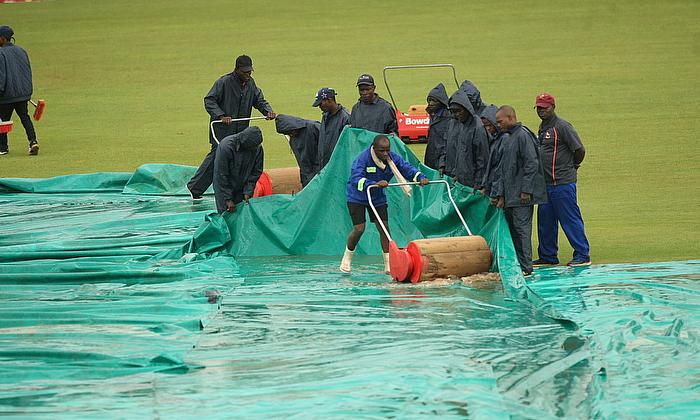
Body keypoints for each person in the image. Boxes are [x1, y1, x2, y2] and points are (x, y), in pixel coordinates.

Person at [187, 55, 275, 200]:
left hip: (240, 132)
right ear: (236, 70)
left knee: (235, 159)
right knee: (217, 156)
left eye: (249, 72)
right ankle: (195, 188)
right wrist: (221, 115)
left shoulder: (251, 84)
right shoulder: (224, 82)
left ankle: (233, 192)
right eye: (244, 72)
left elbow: (259, 100)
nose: (247, 75)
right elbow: (209, 100)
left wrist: (267, 111)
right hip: (222, 130)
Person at [340, 134, 429, 274]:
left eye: (388, 150)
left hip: (377, 197)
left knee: (384, 227)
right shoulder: (362, 159)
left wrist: (420, 177)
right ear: (374, 148)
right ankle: (347, 259)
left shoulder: (392, 158)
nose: (386, 153)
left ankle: (388, 265)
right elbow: (356, 179)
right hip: (357, 196)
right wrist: (373, 183)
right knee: (359, 228)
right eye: (382, 151)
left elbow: (406, 168)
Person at [533, 92, 591, 267]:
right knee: (546, 221)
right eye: (539, 108)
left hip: (562, 183)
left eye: (545, 108)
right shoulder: (543, 127)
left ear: (553, 107)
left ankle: (582, 255)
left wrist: (572, 166)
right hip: (546, 184)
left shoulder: (562, 126)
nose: (542, 111)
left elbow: (579, 150)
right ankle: (548, 256)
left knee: (570, 219)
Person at [490, 105, 546, 276]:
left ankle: (526, 267)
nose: (498, 125)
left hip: (521, 196)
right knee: (514, 231)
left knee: (522, 231)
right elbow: (504, 169)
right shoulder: (509, 137)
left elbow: (532, 163)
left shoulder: (522, 135)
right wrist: (501, 195)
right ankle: (520, 265)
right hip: (511, 195)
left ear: (511, 118)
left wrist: (526, 190)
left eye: (500, 122)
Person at [0, 25, 39, 156]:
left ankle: (3, 148)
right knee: (25, 117)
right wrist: (27, 92)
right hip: (23, 94)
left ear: (3, 38)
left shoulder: (0, 53)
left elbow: (1, 76)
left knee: (2, 120)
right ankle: (33, 141)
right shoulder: (21, 50)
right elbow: (27, 72)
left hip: (7, 95)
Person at [439, 89, 489, 188]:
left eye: (458, 111)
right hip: (462, 181)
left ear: (466, 108)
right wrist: (457, 175)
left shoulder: (477, 128)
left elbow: (482, 160)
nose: (456, 115)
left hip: (474, 184)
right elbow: (461, 155)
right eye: (453, 112)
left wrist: (479, 184)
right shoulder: (462, 125)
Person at [213, 126, 264, 214]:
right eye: (253, 147)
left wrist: (248, 190)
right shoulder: (226, 147)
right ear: (246, 144)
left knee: (241, 216)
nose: (256, 148)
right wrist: (227, 199)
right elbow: (221, 175)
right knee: (225, 216)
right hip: (224, 188)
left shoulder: (257, 148)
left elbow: (256, 172)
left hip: (242, 188)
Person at [274, 114, 320, 187]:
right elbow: (302, 163)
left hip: (321, 171)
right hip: (307, 174)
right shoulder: (293, 139)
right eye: (287, 133)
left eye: (291, 132)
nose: (290, 135)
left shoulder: (313, 127)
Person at [314, 87, 350, 171]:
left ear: (330, 100)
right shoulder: (325, 116)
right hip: (325, 165)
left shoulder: (345, 118)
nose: (320, 107)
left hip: (339, 166)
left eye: (321, 104)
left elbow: (347, 146)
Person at [423, 83, 451, 170]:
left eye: (434, 101)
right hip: (431, 158)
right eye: (429, 100)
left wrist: (442, 163)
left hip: (443, 162)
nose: (430, 103)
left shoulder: (449, 118)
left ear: (441, 102)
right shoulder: (432, 115)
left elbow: (447, 143)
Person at [479, 104, 503, 197]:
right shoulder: (493, 139)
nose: (487, 129)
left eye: (489, 125)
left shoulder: (503, 139)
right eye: (485, 126)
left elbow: (499, 170)